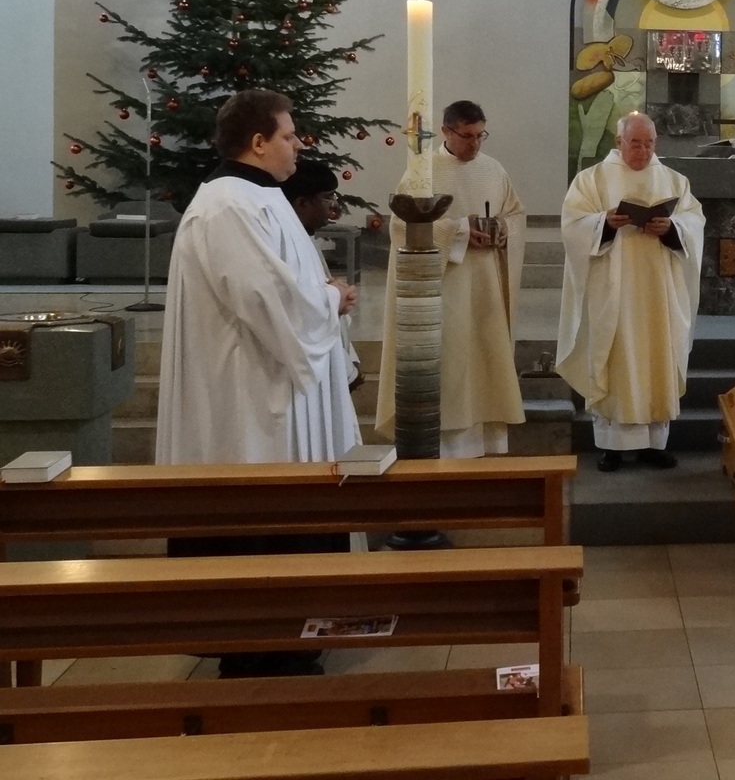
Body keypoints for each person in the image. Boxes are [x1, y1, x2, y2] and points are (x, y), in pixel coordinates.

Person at [156, 89, 360, 679]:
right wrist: (331, 299)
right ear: (258, 142)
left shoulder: (258, 197)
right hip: (248, 400)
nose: (298, 145)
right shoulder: (228, 206)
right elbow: (265, 299)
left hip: (274, 388)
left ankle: (292, 640)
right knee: (260, 524)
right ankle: (256, 650)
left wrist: (322, 297)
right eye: (289, 136)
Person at [376, 100, 526, 458]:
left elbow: (515, 214)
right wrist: (459, 231)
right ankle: (443, 448)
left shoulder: (494, 170)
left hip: (486, 285)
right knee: (450, 363)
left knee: (483, 362)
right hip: (444, 288)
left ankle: (481, 446)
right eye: (467, 136)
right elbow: (401, 226)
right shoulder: (422, 172)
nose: (475, 144)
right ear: (446, 131)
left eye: (480, 135)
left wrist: (501, 230)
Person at [557, 112, 704, 471]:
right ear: (618, 142)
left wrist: (672, 228)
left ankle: (654, 443)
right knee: (615, 359)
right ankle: (612, 446)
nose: (642, 151)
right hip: (613, 291)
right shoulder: (591, 179)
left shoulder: (673, 180)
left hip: (659, 293)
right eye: (634, 143)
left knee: (656, 359)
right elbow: (573, 226)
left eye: (649, 143)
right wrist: (603, 224)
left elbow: (694, 222)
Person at [281, 158, 361, 392]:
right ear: (302, 203)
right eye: (328, 197)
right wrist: (335, 296)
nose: (333, 206)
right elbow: (298, 306)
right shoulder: (289, 242)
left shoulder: (305, 236)